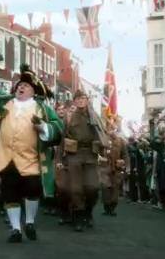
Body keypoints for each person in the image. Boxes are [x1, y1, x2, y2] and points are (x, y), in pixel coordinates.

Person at [0, 64, 63, 243]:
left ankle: (30, 222)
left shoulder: (42, 109)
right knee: (10, 193)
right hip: (6, 157)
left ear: (33, 92)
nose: (21, 87)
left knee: (33, 189)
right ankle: (16, 229)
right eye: (19, 85)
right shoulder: (3, 102)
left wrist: (43, 128)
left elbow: (58, 127)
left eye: (26, 86)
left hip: (31, 159)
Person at [63, 90, 102, 232]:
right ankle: (78, 216)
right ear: (74, 101)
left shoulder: (94, 116)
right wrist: (62, 158)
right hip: (75, 154)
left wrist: (103, 152)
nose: (80, 101)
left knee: (93, 187)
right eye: (77, 99)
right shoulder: (69, 117)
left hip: (91, 154)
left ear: (87, 100)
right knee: (75, 189)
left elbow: (102, 134)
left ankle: (88, 211)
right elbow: (63, 137)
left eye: (83, 98)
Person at [100, 126, 128, 216]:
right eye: (109, 129)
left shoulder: (120, 141)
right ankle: (106, 207)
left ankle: (112, 208)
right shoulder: (102, 140)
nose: (111, 131)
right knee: (105, 188)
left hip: (116, 169)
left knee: (115, 189)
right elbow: (96, 152)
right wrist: (100, 158)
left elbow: (125, 155)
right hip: (104, 168)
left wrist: (124, 164)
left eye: (113, 129)